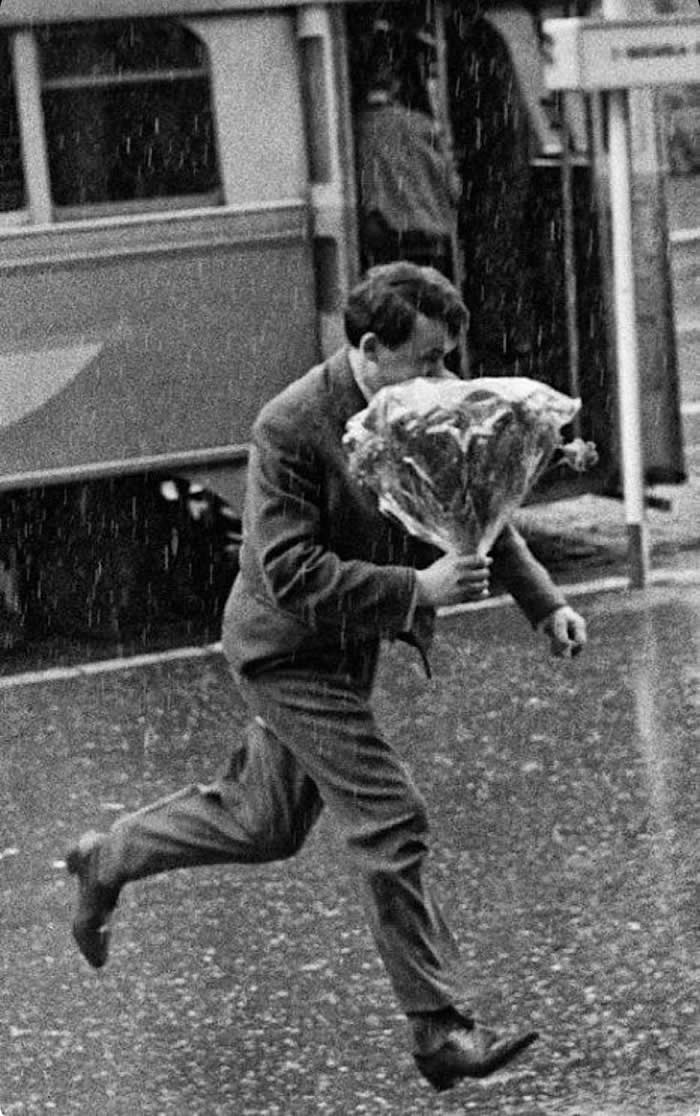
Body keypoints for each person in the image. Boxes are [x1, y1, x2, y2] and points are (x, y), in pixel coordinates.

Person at [67, 262, 587, 1093]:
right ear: (371, 349)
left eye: (451, 360)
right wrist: (415, 589)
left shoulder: (411, 403)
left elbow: (477, 508)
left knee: (262, 824)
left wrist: (544, 606)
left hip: (347, 648)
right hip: (286, 653)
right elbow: (288, 571)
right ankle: (439, 1030)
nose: (446, 381)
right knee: (390, 820)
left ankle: (107, 856)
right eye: (429, 363)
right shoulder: (291, 425)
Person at [355, 25, 460, 279]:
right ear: (397, 83)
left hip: (384, 246)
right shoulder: (424, 126)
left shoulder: (353, 132)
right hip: (429, 243)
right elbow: (453, 189)